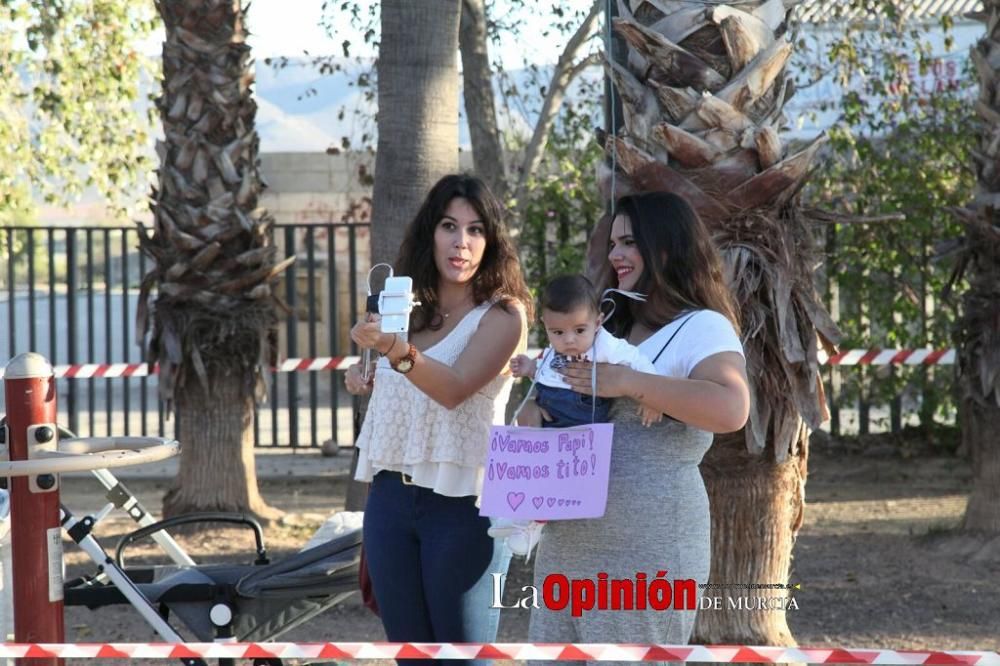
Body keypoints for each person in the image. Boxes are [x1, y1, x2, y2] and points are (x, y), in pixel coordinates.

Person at [527, 191, 750, 664]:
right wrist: (532, 411)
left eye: (629, 242)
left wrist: (631, 382)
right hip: (568, 544)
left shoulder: (703, 326)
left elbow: (732, 408)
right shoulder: (604, 325)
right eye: (613, 244)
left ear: (666, 245)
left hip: (649, 548)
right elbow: (550, 390)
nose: (614, 255)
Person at [344, 174, 531, 661]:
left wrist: (390, 349)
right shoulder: (404, 313)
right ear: (431, 232)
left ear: (490, 243)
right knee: (410, 653)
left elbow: (451, 389)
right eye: (449, 226)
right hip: (388, 500)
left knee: (463, 654)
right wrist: (363, 371)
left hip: (464, 507)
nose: (461, 242)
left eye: (475, 231)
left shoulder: (504, 315)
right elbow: (404, 389)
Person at [489, 273, 659, 558]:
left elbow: (639, 363)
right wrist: (529, 367)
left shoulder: (606, 347)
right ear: (546, 327)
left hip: (579, 425)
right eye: (558, 333)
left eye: (580, 330)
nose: (569, 340)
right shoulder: (552, 351)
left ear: (598, 322)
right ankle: (518, 511)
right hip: (549, 417)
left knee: (556, 478)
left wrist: (652, 395)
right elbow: (547, 371)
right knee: (532, 465)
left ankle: (532, 524)